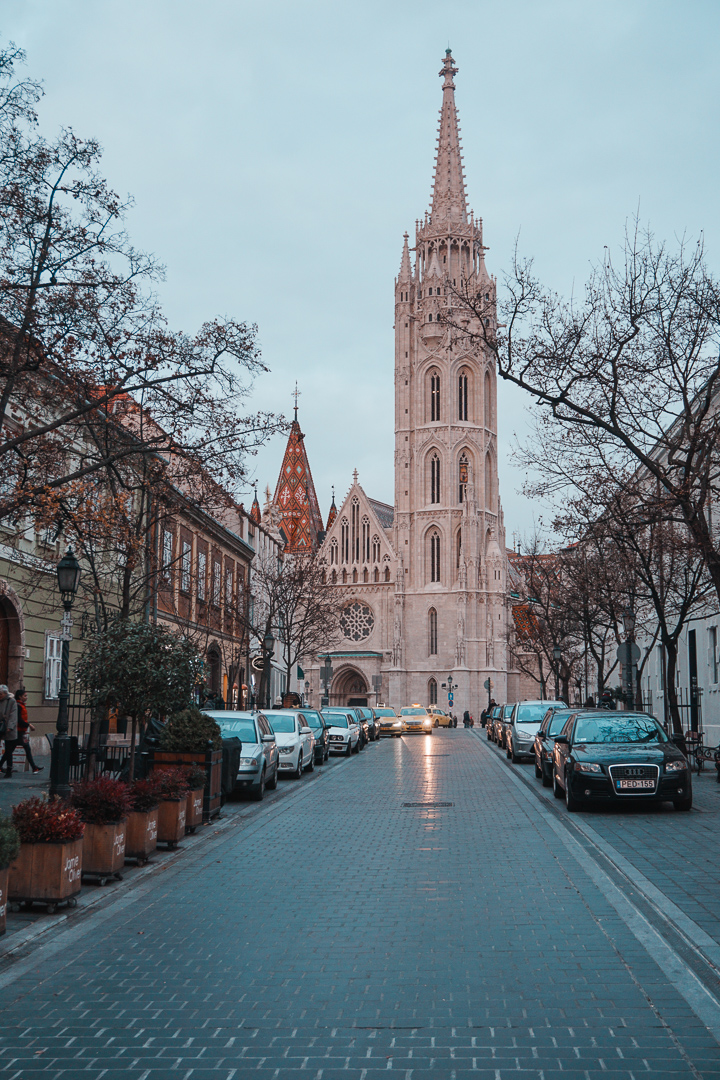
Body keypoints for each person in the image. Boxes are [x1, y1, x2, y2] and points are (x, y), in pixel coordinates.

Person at [15, 688, 41, 773]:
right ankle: (34, 767)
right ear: (20, 696)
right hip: (18, 730)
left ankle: (34, 767)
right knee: (27, 748)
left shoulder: (21, 705)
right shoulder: (18, 706)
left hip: (20, 730)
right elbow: (19, 719)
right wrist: (29, 725)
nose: (27, 697)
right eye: (25, 696)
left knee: (10, 750)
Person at [0, 686, 18, 777]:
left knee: (8, 750)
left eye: (1, 694)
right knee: (8, 750)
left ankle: (9, 770)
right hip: (1, 727)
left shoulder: (11, 701)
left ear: (5, 693)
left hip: (9, 729)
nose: (0, 695)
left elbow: (13, 715)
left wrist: (10, 726)